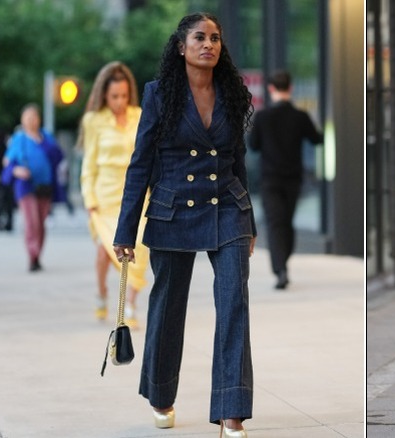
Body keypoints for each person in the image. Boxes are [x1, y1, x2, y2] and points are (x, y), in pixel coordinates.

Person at [113, 12, 256, 437]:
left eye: (215, 38)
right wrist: (125, 230)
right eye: (199, 37)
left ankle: (232, 410)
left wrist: (249, 223)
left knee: (234, 304)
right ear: (181, 46)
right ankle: (161, 392)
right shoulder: (159, 95)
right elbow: (140, 165)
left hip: (227, 209)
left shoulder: (233, 93)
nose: (208, 44)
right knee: (168, 307)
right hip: (173, 209)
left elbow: (238, 160)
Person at [80, 61, 149, 328]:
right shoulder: (94, 121)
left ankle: (130, 303)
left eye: (123, 95)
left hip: (136, 194)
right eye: (113, 96)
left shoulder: (139, 115)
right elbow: (89, 163)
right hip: (105, 196)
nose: (119, 101)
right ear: (104, 95)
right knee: (103, 254)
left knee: (140, 247)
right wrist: (90, 199)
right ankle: (102, 293)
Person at [248, 70, 324, 289]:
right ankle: (283, 263)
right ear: (290, 89)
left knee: (274, 223)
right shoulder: (300, 116)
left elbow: (253, 145)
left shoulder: (262, 117)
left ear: (271, 89)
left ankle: (280, 268)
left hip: (270, 178)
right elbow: (316, 139)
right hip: (293, 178)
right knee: (287, 221)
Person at [2, 104, 65, 272]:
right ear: (22, 120)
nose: (31, 120)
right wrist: (17, 170)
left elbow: (58, 157)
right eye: (27, 117)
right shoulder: (19, 139)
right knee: (32, 222)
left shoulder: (46, 137)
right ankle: (32, 254)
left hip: (44, 187)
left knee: (41, 223)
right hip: (26, 187)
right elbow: (7, 162)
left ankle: (37, 256)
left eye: (34, 116)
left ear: (39, 119)